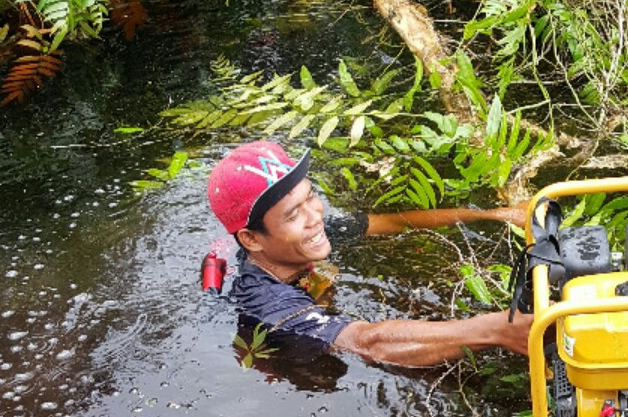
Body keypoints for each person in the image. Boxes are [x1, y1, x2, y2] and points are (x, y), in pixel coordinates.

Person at [207, 140, 533, 366]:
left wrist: (496, 214)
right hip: (286, 353)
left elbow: (395, 222)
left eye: (311, 197)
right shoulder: (268, 304)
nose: (315, 216)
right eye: (293, 215)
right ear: (252, 240)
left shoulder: (310, 231)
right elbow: (367, 343)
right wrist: (496, 329)